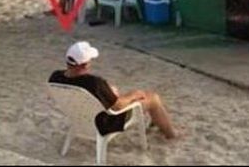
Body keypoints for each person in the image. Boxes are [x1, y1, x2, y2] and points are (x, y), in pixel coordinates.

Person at [48, 41, 177, 139]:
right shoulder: (94, 83)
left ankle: (156, 122)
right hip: (106, 123)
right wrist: (133, 95)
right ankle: (171, 135)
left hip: (78, 119)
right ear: (85, 65)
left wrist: (110, 91)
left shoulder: (55, 77)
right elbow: (118, 106)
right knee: (153, 98)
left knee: (114, 91)